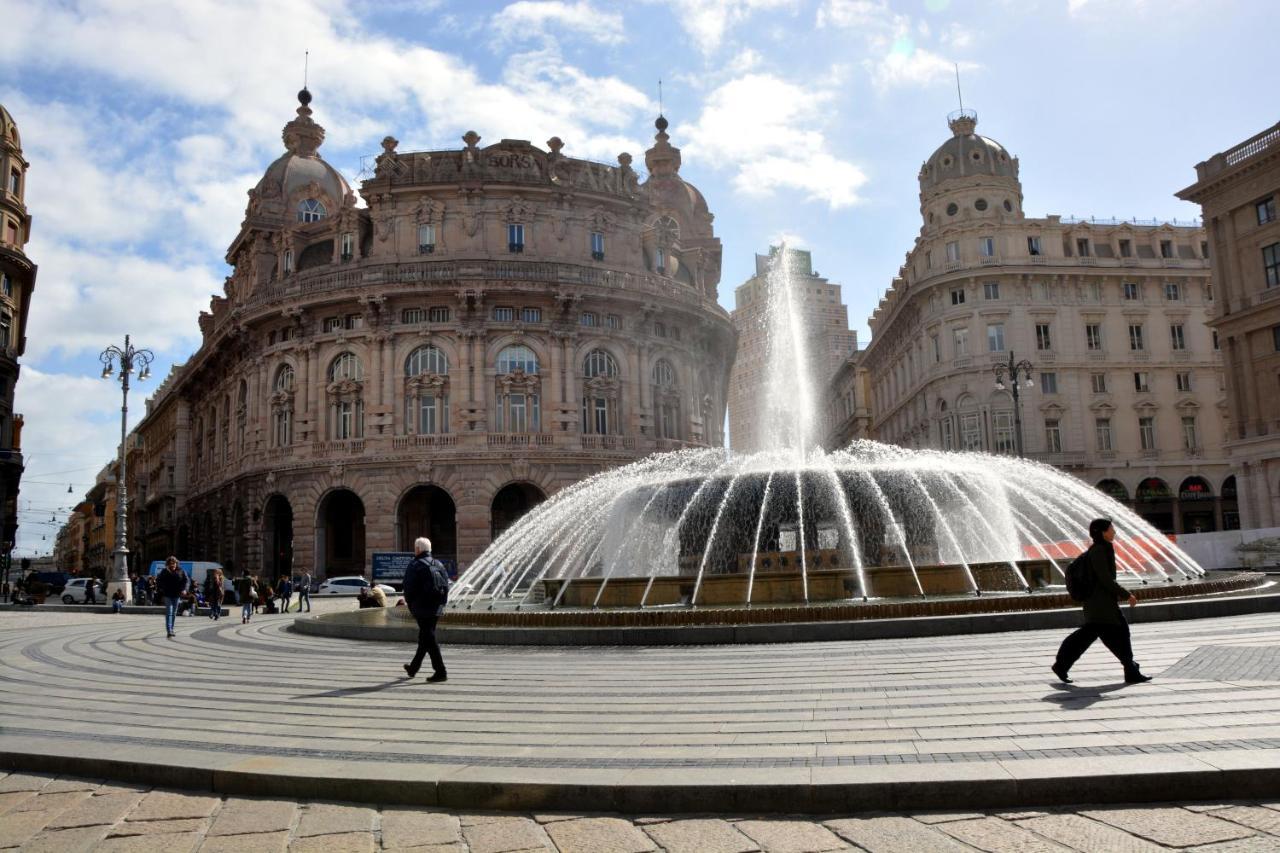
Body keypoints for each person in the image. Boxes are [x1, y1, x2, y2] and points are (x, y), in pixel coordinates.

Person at [1053, 518, 1152, 685]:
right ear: (1102, 532)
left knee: (1099, 636)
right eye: (1111, 529)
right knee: (1114, 635)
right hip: (1100, 605)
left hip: (1101, 604)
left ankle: (1130, 669)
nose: (1114, 532)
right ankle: (1130, 669)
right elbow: (1105, 579)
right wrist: (1127, 595)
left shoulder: (1103, 548)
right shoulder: (1099, 550)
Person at [401, 536, 448, 683]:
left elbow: (408, 588)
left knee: (429, 638)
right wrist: (441, 604)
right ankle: (414, 668)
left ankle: (441, 671)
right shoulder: (438, 564)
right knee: (425, 637)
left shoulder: (415, 565)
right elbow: (446, 586)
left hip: (422, 608)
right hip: (436, 607)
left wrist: (411, 605)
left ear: (417, 549)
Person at [156, 556, 188, 638]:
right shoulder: (164, 571)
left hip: (177, 595)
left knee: (174, 613)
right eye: (170, 563)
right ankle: (169, 630)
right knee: (169, 612)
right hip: (168, 595)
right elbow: (158, 581)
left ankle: (172, 629)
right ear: (168, 564)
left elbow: (186, 580)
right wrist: (162, 589)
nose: (172, 565)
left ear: (176, 563)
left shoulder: (181, 571)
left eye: (174, 563)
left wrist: (184, 589)